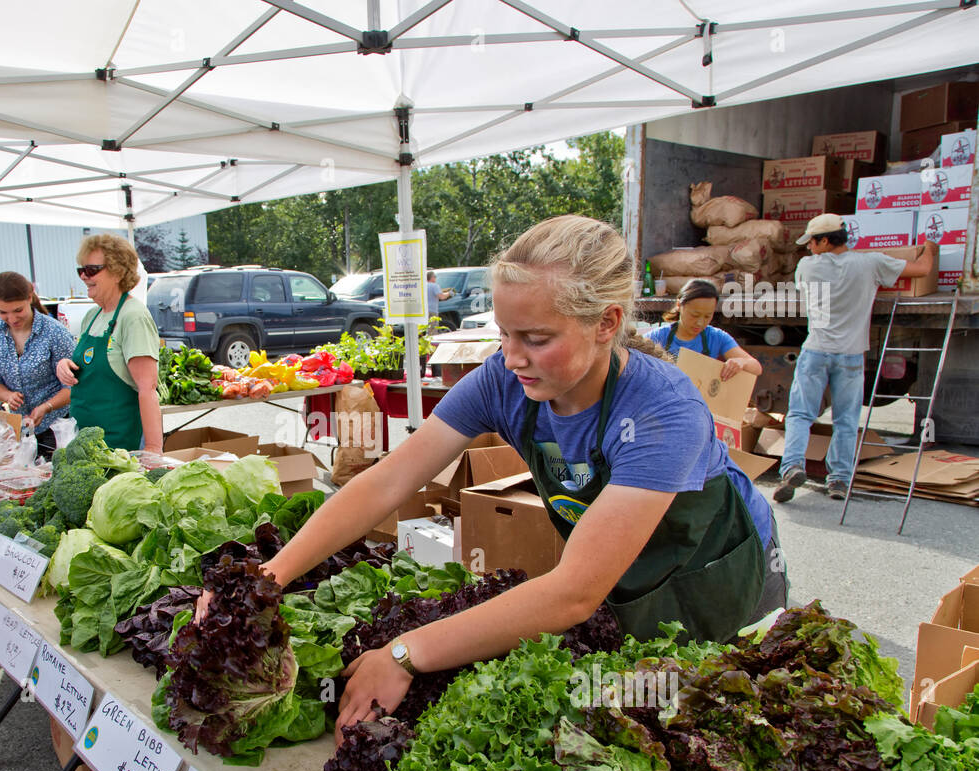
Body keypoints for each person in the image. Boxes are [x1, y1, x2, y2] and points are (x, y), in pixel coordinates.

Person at [205, 215, 788, 742]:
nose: (512, 356)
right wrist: (265, 579)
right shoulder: (501, 382)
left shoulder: (663, 410)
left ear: (607, 322)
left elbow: (574, 591)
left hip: (718, 581)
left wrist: (406, 654)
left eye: (537, 338)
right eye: (506, 333)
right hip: (624, 582)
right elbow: (386, 483)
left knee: (710, 727)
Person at [773, 213, 938, 503]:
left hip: (815, 351)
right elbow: (922, 269)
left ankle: (792, 467)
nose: (808, 248)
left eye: (811, 242)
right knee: (847, 420)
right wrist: (931, 247)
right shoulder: (871, 263)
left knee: (800, 415)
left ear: (824, 241)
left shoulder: (806, 267)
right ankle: (838, 480)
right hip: (850, 355)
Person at [56, 234, 163, 453]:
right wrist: (66, 365)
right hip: (84, 444)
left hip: (120, 446)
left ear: (117, 272)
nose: (84, 276)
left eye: (92, 270)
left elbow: (148, 388)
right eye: (81, 270)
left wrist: (153, 450)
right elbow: (88, 365)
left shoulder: (133, 316)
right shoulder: (92, 316)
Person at [0, 271, 75, 457]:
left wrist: (46, 407)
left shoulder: (54, 332)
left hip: (57, 426)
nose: (12, 319)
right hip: (17, 427)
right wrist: (7, 395)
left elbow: (72, 387)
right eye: (2, 312)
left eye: (18, 310)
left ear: (29, 298)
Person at [643, 279, 763, 380]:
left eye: (707, 316)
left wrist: (742, 362)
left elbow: (756, 368)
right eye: (694, 315)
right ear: (679, 305)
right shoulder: (658, 337)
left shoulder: (717, 337)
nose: (700, 322)